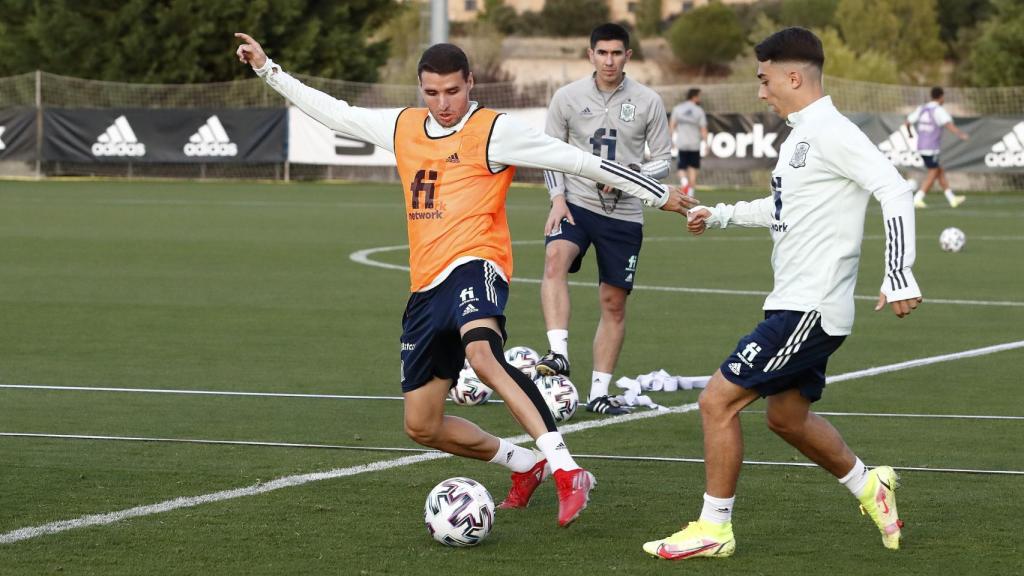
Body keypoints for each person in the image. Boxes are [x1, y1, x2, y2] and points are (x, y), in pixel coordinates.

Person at [234, 33, 694, 528]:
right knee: (422, 424)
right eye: (432, 93)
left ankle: (566, 468)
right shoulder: (403, 126)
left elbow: (578, 160)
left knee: (482, 353)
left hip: (478, 262)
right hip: (426, 286)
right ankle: (526, 464)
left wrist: (653, 192)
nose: (443, 103)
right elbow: (333, 111)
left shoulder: (494, 130)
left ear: (470, 83)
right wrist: (267, 69)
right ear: (420, 90)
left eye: (452, 91)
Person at [642, 27, 923, 560]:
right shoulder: (799, 136)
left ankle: (713, 529)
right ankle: (869, 485)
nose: (761, 91)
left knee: (716, 401)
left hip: (809, 308)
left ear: (794, 76)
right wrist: (718, 214)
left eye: (764, 79)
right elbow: (782, 212)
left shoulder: (831, 131)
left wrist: (899, 273)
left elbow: (894, 187)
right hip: (796, 303)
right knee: (785, 418)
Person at [535, 23, 673, 416]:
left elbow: (663, 159)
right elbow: (549, 152)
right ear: (590, 55)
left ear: (628, 56)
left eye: (617, 53)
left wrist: (632, 176)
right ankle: (557, 353)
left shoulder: (648, 101)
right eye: (602, 53)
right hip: (575, 204)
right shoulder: (567, 97)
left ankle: (598, 393)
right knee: (554, 258)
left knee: (613, 303)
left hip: (624, 215)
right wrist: (557, 199)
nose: (609, 60)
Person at [906, 86, 969, 209]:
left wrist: (909, 133)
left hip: (921, 146)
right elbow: (948, 125)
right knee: (933, 172)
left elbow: (907, 123)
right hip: (931, 147)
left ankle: (952, 198)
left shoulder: (922, 108)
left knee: (939, 171)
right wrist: (961, 134)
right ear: (941, 97)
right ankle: (917, 198)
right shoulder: (938, 110)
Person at [670, 87, 708, 191]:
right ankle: (691, 191)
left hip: (682, 143)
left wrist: (671, 140)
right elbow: (703, 129)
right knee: (693, 168)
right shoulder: (699, 110)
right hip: (694, 144)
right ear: (694, 97)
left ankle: (684, 182)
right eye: (699, 96)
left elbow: (672, 126)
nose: (700, 99)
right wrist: (706, 143)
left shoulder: (677, 109)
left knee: (681, 167)